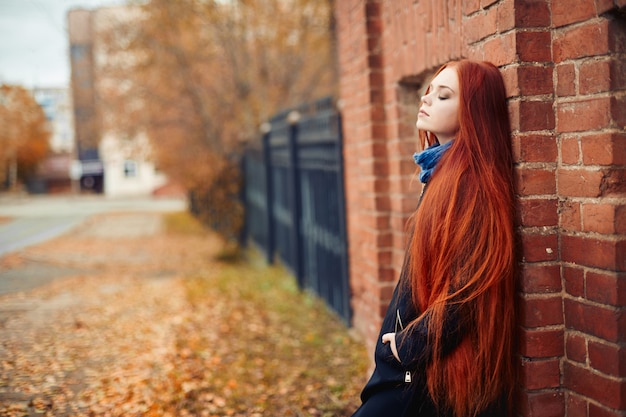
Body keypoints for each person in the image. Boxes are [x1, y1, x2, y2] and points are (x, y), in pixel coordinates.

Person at [351, 60, 516, 417]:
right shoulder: (441, 174)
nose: (426, 100)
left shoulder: (470, 183)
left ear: (473, 112)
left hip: (432, 374)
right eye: (429, 91)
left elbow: (470, 289)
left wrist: (408, 345)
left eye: (443, 96)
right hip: (420, 369)